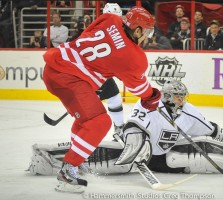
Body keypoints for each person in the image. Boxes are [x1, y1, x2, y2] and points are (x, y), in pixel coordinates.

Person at [28, 79, 223, 177]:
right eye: (177, 97)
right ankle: (47, 157)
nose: (181, 101)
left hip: (164, 159)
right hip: (136, 155)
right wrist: (136, 148)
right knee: (102, 154)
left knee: (196, 150)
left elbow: (212, 131)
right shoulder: (149, 105)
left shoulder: (189, 111)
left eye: (182, 97)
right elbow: (133, 129)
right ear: (167, 96)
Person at [42, 6, 161, 193]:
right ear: (137, 30)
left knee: (86, 120)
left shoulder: (109, 19)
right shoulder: (134, 57)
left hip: (55, 67)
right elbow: (138, 88)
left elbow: (86, 34)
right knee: (100, 122)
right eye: (147, 32)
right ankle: (68, 171)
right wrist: (152, 96)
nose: (147, 37)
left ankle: (76, 162)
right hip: (69, 78)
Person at [69, 3, 126, 133]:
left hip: (94, 74)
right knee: (94, 106)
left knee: (112, 97)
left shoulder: (95, 28)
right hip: (90, 74)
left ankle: (119, 129)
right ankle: (118, 129)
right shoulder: (107, 31)